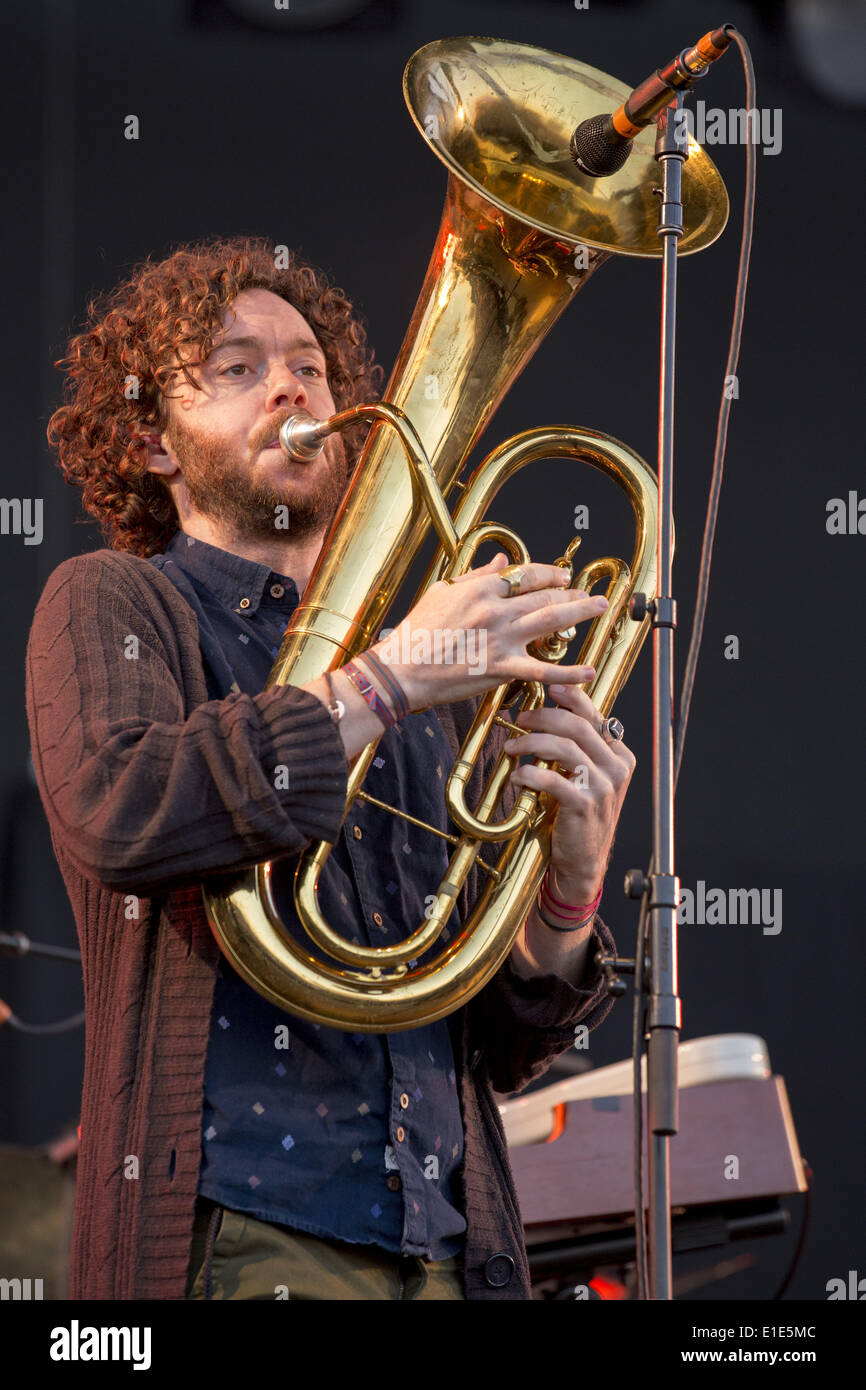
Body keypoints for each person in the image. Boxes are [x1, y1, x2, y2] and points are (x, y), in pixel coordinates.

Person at [25, 235, 636, 1301]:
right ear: (151, 441)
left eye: (308, 362)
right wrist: (389, 683)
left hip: (451, 1247)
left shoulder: (406, 688)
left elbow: (479, 1039)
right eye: (236, 367)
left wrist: (564, 893)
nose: (291, 384)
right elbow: (120, 808)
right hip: (244, 1235)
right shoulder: (114, 601)